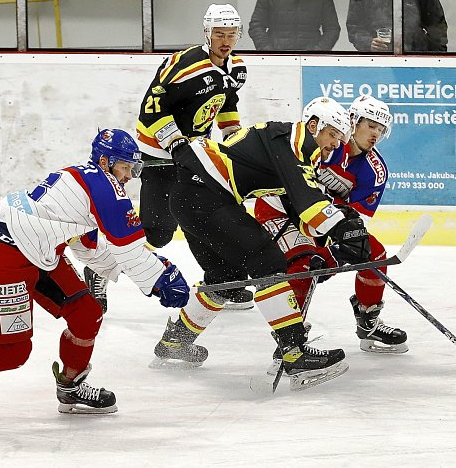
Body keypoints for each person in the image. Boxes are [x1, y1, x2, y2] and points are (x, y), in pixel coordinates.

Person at [150, 97, 371, 389]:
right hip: (203, 194)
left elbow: (296, 206)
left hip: (192, 195)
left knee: (226, 277)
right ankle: (295, 355)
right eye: (332, 135)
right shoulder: (291, 140)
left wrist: (333, 235)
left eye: (340, 138)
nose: (335, 143)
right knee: (267, 262)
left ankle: (176, 341)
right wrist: (342, 228)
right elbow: (307, 203)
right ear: (314, 125)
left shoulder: (295, 148)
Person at [0, 129, 190, 413]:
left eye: (134, 169)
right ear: (106, 161)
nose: (128, 176)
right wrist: (160, 277)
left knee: (86, 315)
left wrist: (156, 277)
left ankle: (71, 388)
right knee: (11, 354)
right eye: (125, 167)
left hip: (39, 252)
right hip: (3, 255)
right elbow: (128, 248)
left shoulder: (84, 179)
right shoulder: (103, 186)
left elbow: (90, 247)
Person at [83, 4, 253, 313]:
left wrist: (232, 136)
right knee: (157, 233)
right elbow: (152, 108)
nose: (226, 40)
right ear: (207, 33)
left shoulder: (237, 67)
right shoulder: (184, 65)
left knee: (207, 217)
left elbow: (227, 101)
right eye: (219, 34)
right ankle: (100, 267)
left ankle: (223, 281)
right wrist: (175, 144)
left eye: (232, 34)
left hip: (199, 155)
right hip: (161, 156)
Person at [255, 96, 407, 372]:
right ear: (354, 121)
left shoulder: (375, 171)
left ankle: (368, 319)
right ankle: (291, 337)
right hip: (287, 213)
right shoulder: (327, 144)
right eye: (370, 125)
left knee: (375, 254)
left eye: (381, 129)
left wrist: (342, 243)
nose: (375, 133)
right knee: (305, 264)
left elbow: (352, 215)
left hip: (325, 221)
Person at [347, 0, 447, 52]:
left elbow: (436, 26)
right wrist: (368, 43)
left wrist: (437, 59)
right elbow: (354, 26)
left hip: (416, 59)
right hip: (377, 61)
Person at [249, 0, 340, 51]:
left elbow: (332, 29)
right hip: (276, 58)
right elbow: (256, 26)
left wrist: (317, 52)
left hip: (312, 60)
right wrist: (269, 51)